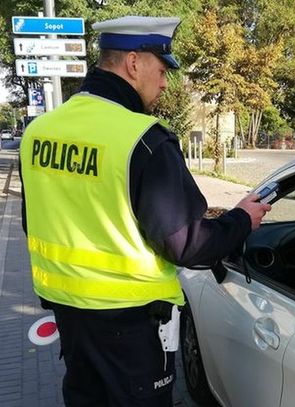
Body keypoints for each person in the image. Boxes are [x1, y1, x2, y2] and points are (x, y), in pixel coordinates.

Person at [19, 16, 271, 407]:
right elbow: (188, 246)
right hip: (132, 332)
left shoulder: (39, 132)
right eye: (162, 68)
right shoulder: (142, 139)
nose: (166, 81)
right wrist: (241, 219)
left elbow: (31, 222)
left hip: (72, 325)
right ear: (133, 64)